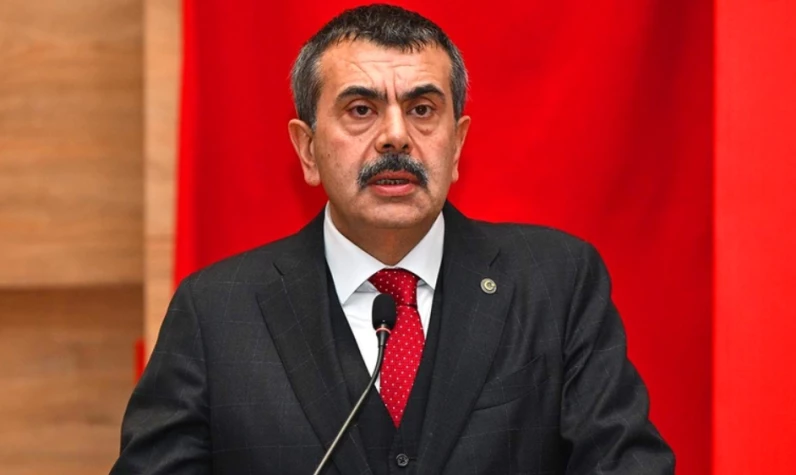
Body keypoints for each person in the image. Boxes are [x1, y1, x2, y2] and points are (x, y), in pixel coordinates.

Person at [111, 4, 674, 474]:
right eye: (361, 109)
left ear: (457, 144)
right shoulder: (216, 311)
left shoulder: (556, 284)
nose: (396, 136)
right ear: (307, 150)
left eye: (422, 109)